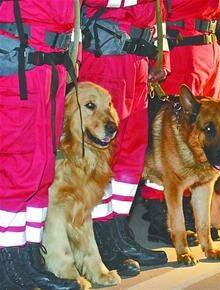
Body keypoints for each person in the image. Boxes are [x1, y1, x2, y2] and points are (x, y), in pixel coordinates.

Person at [78, 0, 169, 275]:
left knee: (131, 152)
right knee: (103, 154)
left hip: (137, 60)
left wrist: (161, 56)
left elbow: (158, 8)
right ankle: (101, 240)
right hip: (105, 59)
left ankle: (118, 232)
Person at [140, 0, 220, 245]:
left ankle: (194, 217)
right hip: (181, 49)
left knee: (208, 139)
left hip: (211, 49)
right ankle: (160, 215)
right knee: (169, 144)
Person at [0, 0, 80, 289]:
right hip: (20, 58)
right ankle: (8, 263)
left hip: (49, 61)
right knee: (17, 165)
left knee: (43, 167)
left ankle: (30, 256)